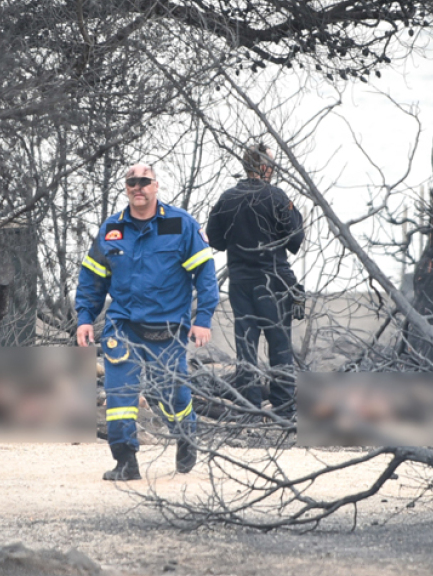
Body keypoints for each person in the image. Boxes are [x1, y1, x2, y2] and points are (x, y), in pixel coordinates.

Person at [76, 164, 219, 481]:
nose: (137, 187)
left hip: (167, 328)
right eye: (131, 182)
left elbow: (205, 276)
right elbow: (92, 279)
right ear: (126, 188)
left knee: (171, 395)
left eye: (144, 181)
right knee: (120, 396)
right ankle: (126, 461)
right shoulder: (113, 229)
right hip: (123, 325)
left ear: (156, 186)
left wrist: (203, 318)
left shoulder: (180, 225)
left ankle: (185, 434)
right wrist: (85, 317)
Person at [206, 144, 304, 418]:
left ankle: (249, 409)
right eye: (271, 165)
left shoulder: (227, 198)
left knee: (246, 348)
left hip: (240, 283)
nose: (273, 170)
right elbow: (296, 238)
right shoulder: (276, 196)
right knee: (280, 345)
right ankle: (283, 409)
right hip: (274, 280)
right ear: (263, 167)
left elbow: (214, 239)